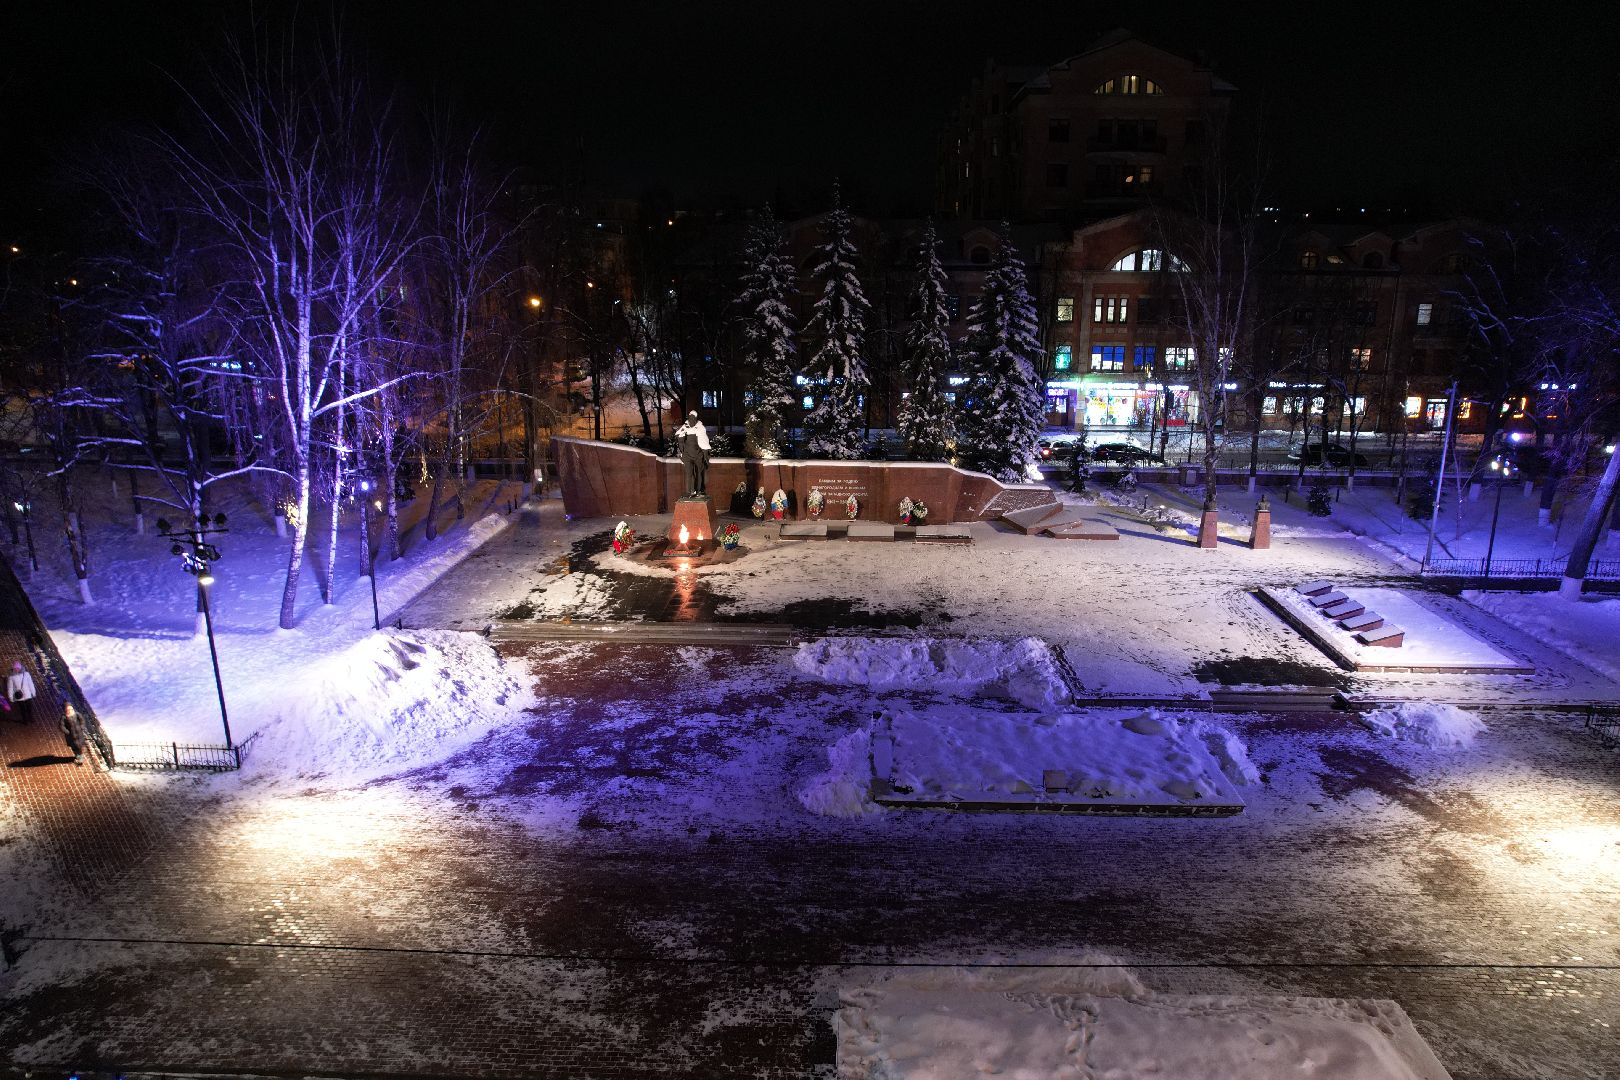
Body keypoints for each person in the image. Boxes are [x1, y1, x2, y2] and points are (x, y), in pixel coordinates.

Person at [674, 410, 711, 497]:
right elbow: (679, 437)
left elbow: (704, 442)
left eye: (693, 418)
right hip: (687, 455)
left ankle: (698, 491)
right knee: (688, 473)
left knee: (699, 472)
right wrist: (680, 436)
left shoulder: (700, 428)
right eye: (690, 418)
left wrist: (705, 455)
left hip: (698, 454)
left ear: (695, 418)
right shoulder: (684, 427)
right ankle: (689, 491)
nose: (691, 420)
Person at [7, 661, 35, 725]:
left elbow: (30, 684)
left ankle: (30, 718)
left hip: (27, 694)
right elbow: (10, 688)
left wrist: (33, 692)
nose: (17, 669)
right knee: (22, 709)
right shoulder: (11, 677)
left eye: (18, 668)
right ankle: (25, 720)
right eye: (15, 668)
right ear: (13, 668)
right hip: (19, 695)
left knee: (29, 707)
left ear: (20, 668)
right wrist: (10, 697)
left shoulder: (26, 674)